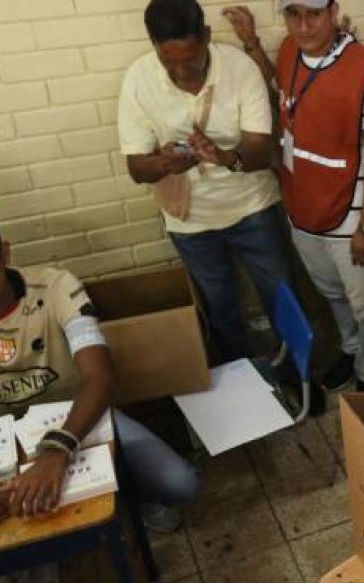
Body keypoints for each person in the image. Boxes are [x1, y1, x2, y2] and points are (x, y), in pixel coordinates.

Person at [0, 201, 201, 583]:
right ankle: (39, 553)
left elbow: (99, 378)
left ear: (5, 254)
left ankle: (128, 496)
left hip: (76, 419)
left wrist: (57, 449)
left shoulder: (56, 286)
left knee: (182, 484)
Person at [119, 0, 291, 364]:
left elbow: (261, 151)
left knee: (282, 300)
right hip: (191, 220)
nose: (182, 72)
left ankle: (297, 375)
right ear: (155, 48)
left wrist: (225, 156)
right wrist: (163, 163)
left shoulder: (239, 68)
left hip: (253, 206)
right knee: (221, 311)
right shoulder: (139, 77)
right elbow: (136, 168)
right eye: (170, 62)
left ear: (207, 37)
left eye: (191, 60)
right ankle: (243, 381)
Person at [271, 0, 364, 392]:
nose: (304, 26)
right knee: (331, 293)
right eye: (293, 15)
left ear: (333, 10)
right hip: (303, 209)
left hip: (350, 216)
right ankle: (351, 348)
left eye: (314, 15)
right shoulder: (288, 52)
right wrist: (253, 47)